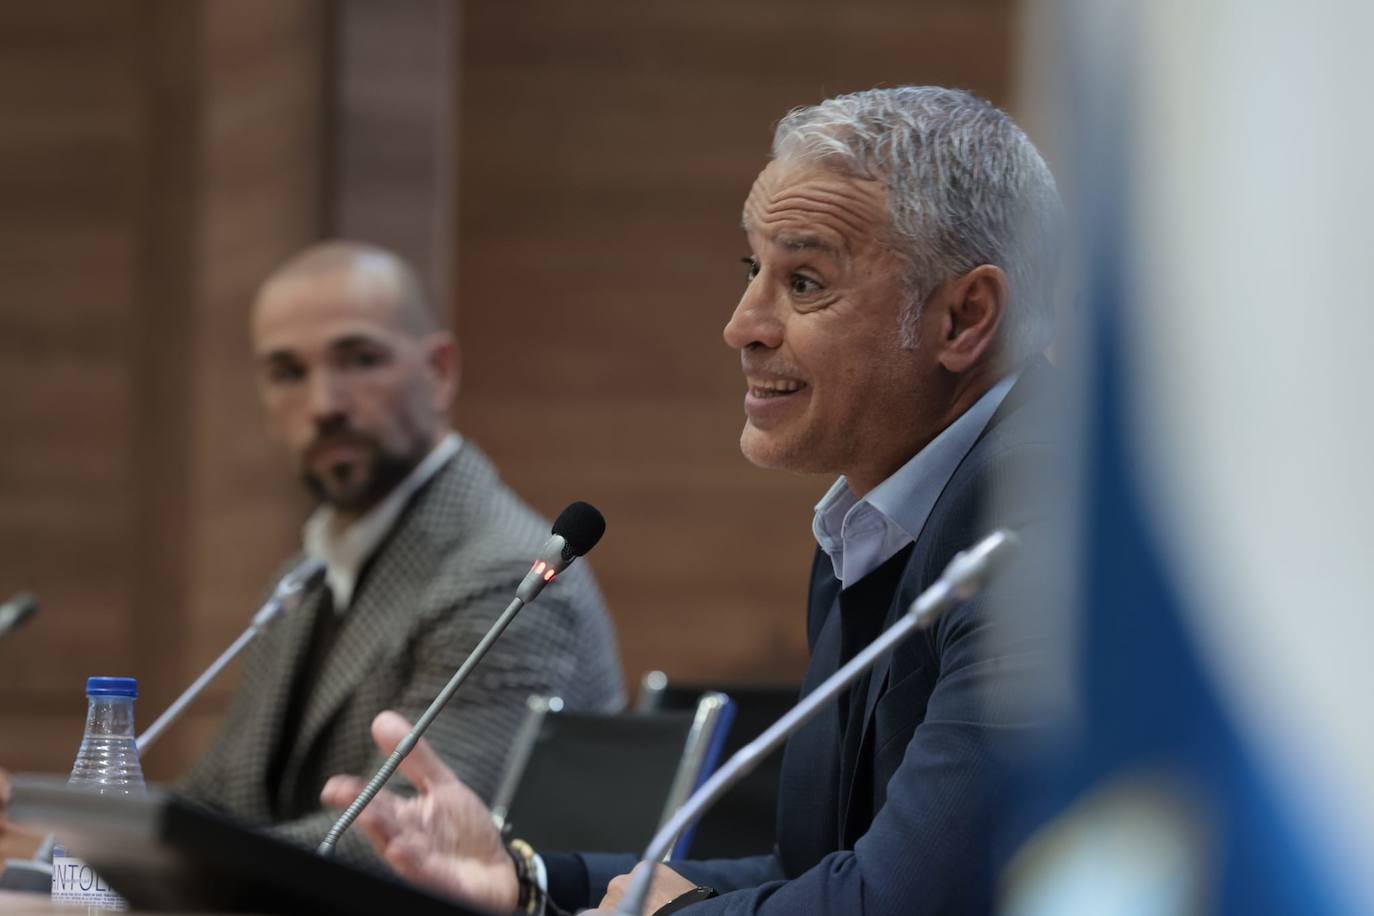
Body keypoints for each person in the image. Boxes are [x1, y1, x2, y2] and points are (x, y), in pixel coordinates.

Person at [322, 86, 1067, 914]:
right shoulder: (869, 524)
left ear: (963, 318)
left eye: (806, 281)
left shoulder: (1040, 537)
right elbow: (816, 867)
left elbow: (900, 904)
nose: (743, 324)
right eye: (756, 271)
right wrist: (530, 884)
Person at [179, 242, 625, 860]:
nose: (324, 404)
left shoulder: (504, 577)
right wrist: (64, 837)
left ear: (439, 371)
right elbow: (218, 802)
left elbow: (408, 843)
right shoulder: (305, 578)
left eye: (359, 360)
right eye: (287, 372)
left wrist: (166, 864)